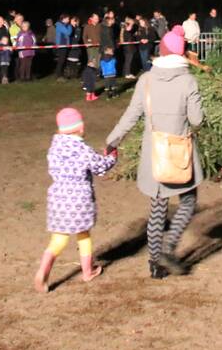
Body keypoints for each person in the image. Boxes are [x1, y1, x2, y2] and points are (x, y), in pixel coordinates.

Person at [105, 26, 203, 278]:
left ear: (161, 52)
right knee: (188, 201)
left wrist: (112, 140)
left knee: (157, 208)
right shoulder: (188, 80)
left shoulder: (146, 80)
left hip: (154, 154)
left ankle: (154, 262)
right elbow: (197, 119)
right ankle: (170, 247)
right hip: (180, 153)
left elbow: (131, 115)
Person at [33, 107, 118, 293]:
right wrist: (111, 157)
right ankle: (87, 272)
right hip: (79, 199)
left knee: (58, 239)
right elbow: (99, 166)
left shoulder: (54, 148)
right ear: (80, 127)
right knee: (83, 234)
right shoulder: (82, 149)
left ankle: (43, 270)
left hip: (58, 197)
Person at [54, 15, 72, 81]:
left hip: (65, 45)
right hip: (61, 45)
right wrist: (70, 26)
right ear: (63, 19)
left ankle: (61, 74)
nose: (68, 20)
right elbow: (68, 32)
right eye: (67, 18)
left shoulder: (65, 25)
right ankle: (58, 75)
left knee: (63, 60)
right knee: (61, 61)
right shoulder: (59, 25)